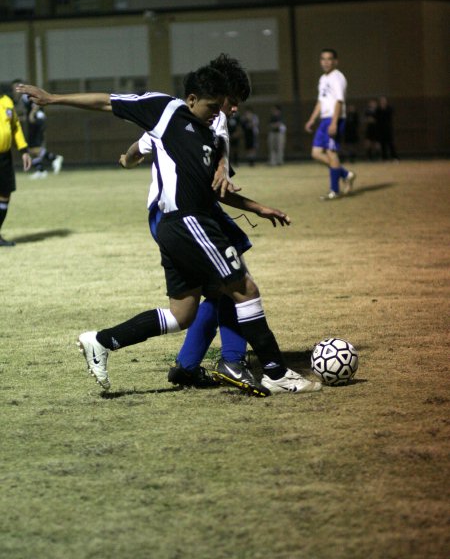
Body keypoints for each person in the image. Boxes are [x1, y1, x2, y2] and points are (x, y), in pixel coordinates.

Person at [17, 69, 321, 396]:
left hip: (183, 226)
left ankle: (101, 341)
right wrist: (53, 98)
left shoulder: (212, 137)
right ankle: (273, 371)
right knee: (243, 288)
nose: (220, 114)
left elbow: (217, 190)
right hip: (190, 222)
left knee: (182, 313)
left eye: (224, 108)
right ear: (191, 99)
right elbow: (107, 102)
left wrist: (259, 207)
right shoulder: (165, 109)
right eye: (215, 107)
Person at [121, 54, 275, 396]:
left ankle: (190, 365)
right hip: (179, 213)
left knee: (222, 287)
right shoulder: (199, 117)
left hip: (185, 211)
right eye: (232, 102)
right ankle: (231, 361)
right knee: (234, 284)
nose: (233, 109)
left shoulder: (193, 115)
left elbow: (142, 144)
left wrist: (129, 158)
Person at [304, 49, 355, 200]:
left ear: (335, 61)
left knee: (332, 154)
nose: (326, 62)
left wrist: (334, 122)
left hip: (335, 119)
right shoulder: (322, 78)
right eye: (323, 59)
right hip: (324, 120)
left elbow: (339, 101)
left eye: (329, 59)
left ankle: (334, 191)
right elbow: (321, 101)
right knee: (316, 153)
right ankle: (346, 174)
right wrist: (312, 119)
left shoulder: (337, 77)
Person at [12, 79, 64, 179]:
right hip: (35, 121)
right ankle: (41, 170)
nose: (14, 90)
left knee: (33, 148)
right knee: (31, 148)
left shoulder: (25, 95)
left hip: (37, 120)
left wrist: (32, 114)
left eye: (15, 88)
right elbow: (26, 113)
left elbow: (36, 103)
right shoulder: (21, 99)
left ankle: (54, 158)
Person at [0, 91, 32, 246]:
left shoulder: (7, 101)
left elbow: (15, 127)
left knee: (5, 195)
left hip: (4, 157)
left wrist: (23, 150)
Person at [377, 96, 399, 161]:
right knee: (382, 144)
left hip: (388, 128)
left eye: (384, 101)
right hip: (381, 129)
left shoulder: (389, 108)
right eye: (381, 101)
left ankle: (395, 157)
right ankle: (384, 158)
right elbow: (377, 118)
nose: (382, 102)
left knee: (390, 143)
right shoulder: (378, 109)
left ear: (386, 101)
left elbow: (391, 114)